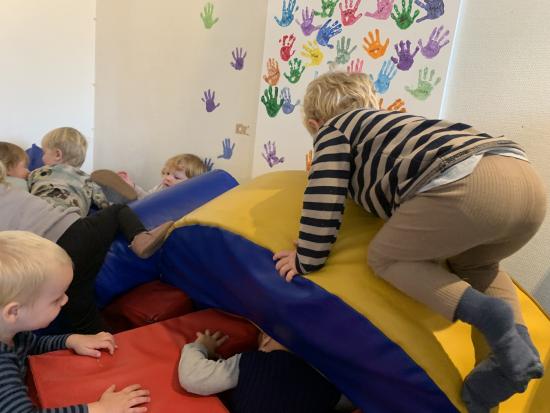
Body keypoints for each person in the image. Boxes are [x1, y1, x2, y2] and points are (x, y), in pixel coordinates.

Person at [273, 71, 546, 412]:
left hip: (466, 180)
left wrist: (307, 257)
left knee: (386, 257)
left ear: (315, 125)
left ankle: (489, 315)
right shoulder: (394, 128)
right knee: (479, 267)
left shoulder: (334, 130)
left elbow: (324, 194)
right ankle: (508, 358)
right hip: (524, 180)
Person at [0, 156, 173, 334]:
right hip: (80, 231)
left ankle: (102, 339)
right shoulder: (12, 187)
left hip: (52, 256)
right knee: (116, 211)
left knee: (81, 312)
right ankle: (139, 237)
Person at [0, 231, 151, 413]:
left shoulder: (11, 333)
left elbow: (32, 345)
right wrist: (100, 408)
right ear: (14, 312)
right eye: (56, 299)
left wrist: (71, 340)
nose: (65, 300)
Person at [179, 329, 345, 413]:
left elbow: (194, 378)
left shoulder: (253, 362)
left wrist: (200, 346)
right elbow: (351, 401)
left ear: (266, 339)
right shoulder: (324, 387)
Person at [28, 127, 112, 216]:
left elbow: (22, 191)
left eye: (44, 152)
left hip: (40, 215)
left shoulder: (39, 172)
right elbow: (103, 203)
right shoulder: (87, 179)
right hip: (72, 220)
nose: (42, 158)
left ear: (57, 154)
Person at [92, 153, 207, 201]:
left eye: (176, 177)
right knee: (123, 207)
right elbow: (147, 198)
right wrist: (134, 187)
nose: (168, 178)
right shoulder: (162, 186)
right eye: (167, 173)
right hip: (147, 210)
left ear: (193, 183)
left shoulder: (187, 199)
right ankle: (126, 188)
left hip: (159, 220)